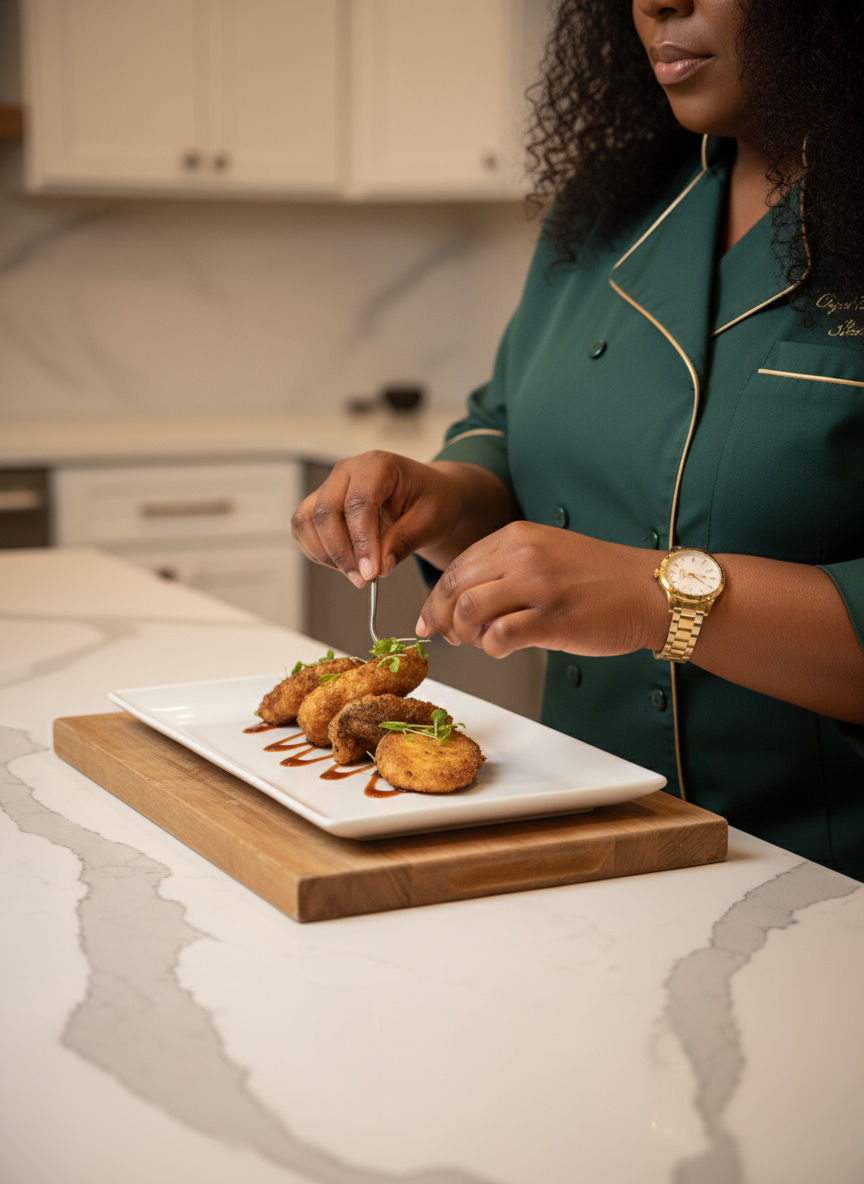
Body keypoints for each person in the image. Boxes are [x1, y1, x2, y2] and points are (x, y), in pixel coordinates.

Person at [292, 0, 864, 880]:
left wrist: (654, 597)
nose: (656, 3)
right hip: (589, 842)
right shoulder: (606, 210)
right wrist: (443, 496)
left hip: (825, 888)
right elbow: (505, 428)